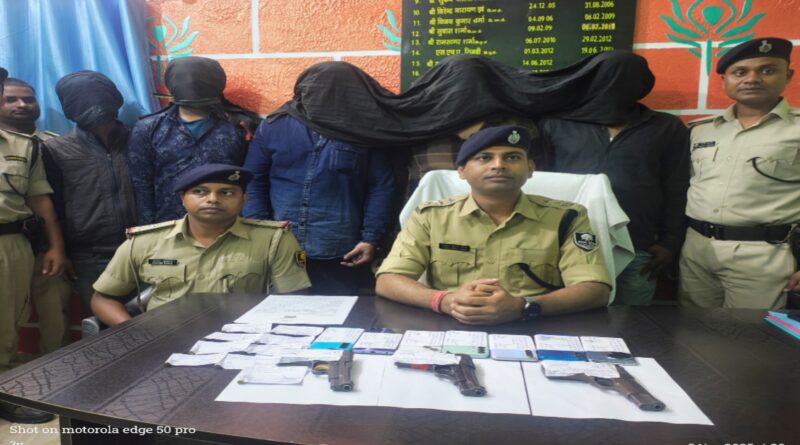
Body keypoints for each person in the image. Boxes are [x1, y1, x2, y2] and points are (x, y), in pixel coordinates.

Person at [376, 126, 611, 325]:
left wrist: (523, 306)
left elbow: (595, 289)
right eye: (484, 158)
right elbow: (388, 280)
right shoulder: (430, 216)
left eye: (512, 157)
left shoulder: (566, 217)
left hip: (536, 325)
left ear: (530, 168)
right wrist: (445, 301)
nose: (498, 165)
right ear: (462, 171)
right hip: (449, 324)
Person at [538, 55, 689, 305]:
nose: (615, 88)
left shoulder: (666, 127)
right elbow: (538, 181)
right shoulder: (557, 124)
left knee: (631, 322)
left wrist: (670, 241)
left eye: (626, 82)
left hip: (638, 245)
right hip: (565, 245)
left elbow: (677, 185)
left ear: (643, 86)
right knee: (570, 317)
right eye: (607, 80)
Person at [91, 164, 311, 326]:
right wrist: (135, 331)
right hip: (163, 338)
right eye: (200, 191)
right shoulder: (144, 242)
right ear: (183, 198)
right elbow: (103, 298)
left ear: (244, 198)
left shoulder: (274, 239)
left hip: (240, 338)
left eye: (226, 193)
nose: (213, 199)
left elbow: (294, 298)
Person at [680, 37, 800, 309]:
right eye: (740, 72)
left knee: (751, 333)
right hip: (697, 249)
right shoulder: (701, 130)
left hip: (764, 254)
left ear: (788, 75)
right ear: (725, 80)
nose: (752, 79)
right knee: (691, 328)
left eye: (767, 70)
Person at [243, 80, 396, 295]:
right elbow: (253, 180)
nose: (324, 98)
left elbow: (381, 186)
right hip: (282, 247)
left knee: (337, 312)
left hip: (341, 251)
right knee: (283, 311)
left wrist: (371, 238)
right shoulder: (274, 126)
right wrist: (261, 230)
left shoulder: (363, 130)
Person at [41, 71, 137, 315]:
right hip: (90, 254)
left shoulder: (141, 138)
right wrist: (61, 249)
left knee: (156, 321)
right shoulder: (55, 150)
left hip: (144, 248)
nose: (95, 106)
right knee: (102, 325)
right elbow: (54, 204)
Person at [0, 66, 65, 424]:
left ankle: (3, 393)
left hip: (8, 242)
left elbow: (40, 199)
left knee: (6, 321)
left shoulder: (24, 147)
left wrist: (55, 245)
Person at [128, 56, 249, 224]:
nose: (192, 83)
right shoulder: (148, 128)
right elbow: (142, 184)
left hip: (223, 222)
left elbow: (246, 180)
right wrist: (148, 230)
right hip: (168, 224)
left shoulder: (237, 128)